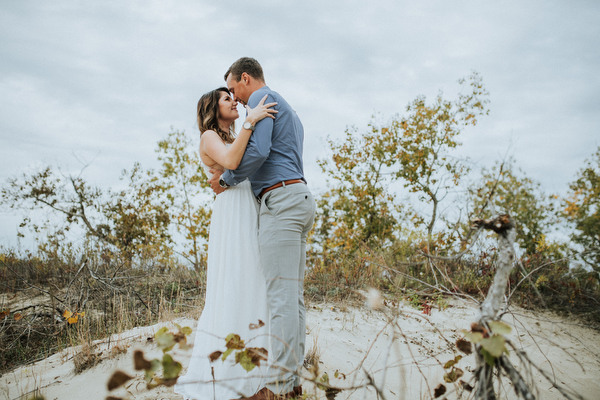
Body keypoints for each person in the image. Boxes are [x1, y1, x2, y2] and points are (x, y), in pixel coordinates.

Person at [208, 57, 316, 400]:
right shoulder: (291, 111)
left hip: (281, 202)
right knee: (293, 299)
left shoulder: (260, 100)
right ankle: (293, 380)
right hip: (299, 197)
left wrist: (227, 179)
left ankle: (279, 388)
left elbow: (259, 150)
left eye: (233, 88)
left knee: (282, 299)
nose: (235, 97)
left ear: (245, 78)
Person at [174, 87, 278, 400]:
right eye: (225, 98)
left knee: (254, 280)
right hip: (232, 214)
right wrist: (251, 119)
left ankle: (258, 366)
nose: (233, 100)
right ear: (211, 107)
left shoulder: (231, 135)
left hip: (247, 208)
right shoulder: (209, 137)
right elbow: (232, 162)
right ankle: (230, 372)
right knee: (236, 279)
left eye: (233, 96)